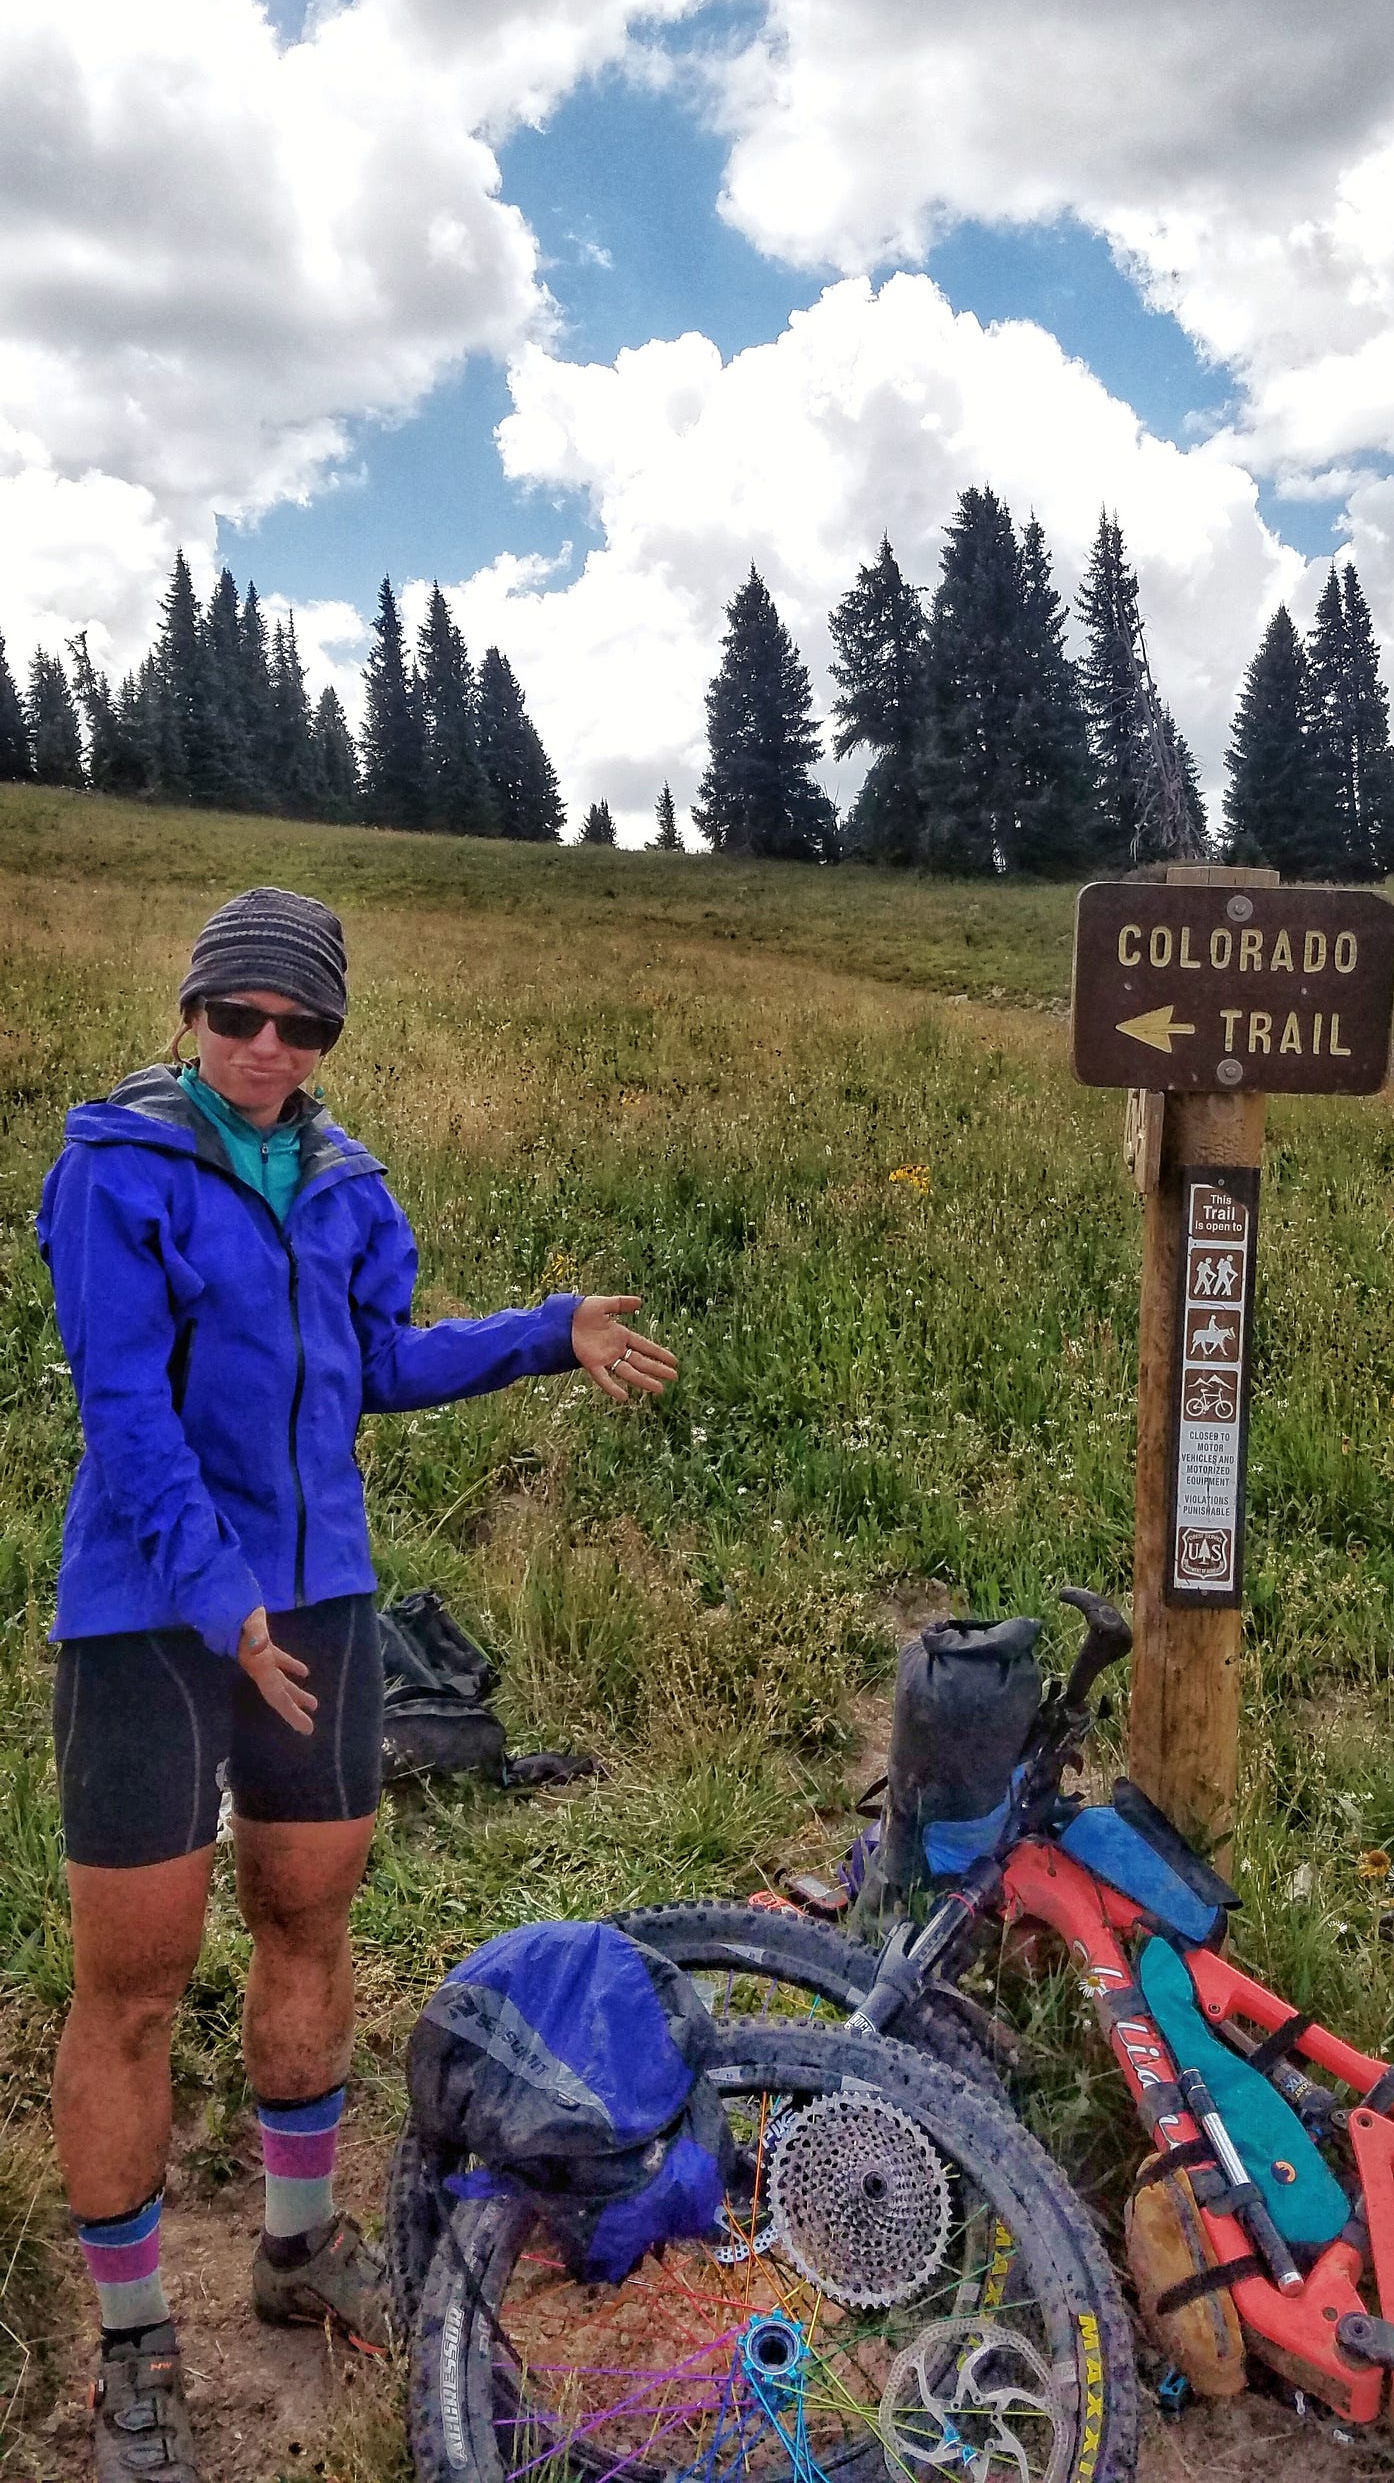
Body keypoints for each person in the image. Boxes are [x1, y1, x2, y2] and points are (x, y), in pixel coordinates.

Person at [37, 887, 677, 2483]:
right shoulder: (114, 1169)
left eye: (301, 1025)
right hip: (148, 1613)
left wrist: (547, 1333)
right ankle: (135, 2350)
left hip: (319, 1605)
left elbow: (377, 1361)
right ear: (191, 1014)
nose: (266, 1048)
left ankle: (299, 2249)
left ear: (328, 1036)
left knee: (309, 1923)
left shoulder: (344, 1182)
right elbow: (125, 1411)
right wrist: (220, 1598)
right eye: (238, 1016)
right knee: (133, 1983)